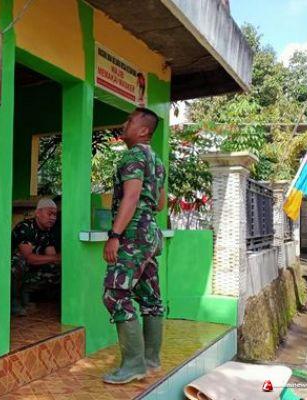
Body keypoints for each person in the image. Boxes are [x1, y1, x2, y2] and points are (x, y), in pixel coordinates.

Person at [101, 107, 166, 384]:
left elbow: (131, 196)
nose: (124, 124)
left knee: (115, 294)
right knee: (150, 298)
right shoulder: (157, 161)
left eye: (130, 120)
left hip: (133, 235)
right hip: (150, 234)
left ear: (143, 130)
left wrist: (115, 235)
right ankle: (151, 361)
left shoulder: (133, 156)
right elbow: (160, 203)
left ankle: (134, 364)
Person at [11, 198, 61, 316]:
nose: (53, 218)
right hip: (15, 269)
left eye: (55, 215)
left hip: (31, 270)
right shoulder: (25, 227)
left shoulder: (48, 231)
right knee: (19, 262)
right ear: (38, 213)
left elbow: (52, 256)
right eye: (50, 214)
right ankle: (13, 302)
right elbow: (28, 258)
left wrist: (58, 259)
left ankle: (26, 293)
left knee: (58, 270)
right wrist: (57, 258)